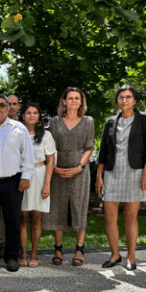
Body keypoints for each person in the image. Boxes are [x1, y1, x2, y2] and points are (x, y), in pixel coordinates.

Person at [96, 85, 146, 271]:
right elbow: (103, 151)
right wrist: (99, 176)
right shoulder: (110, 122)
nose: (124, 100)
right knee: (109, 217)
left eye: (128, 97)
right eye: (121, 97)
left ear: (135, 101)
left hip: (135, 173)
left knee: (130, 216)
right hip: (112, 173)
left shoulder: (144, 119)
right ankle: (115, 255)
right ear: (117, 101)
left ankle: (131, 256)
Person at [0, 94, 35, 272]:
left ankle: (12, 257)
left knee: (13, 221)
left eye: (2, 105)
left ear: (8, 108)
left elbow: (28, 154)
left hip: (13, 181)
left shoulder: (18, 128)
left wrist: (26, 176)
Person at [43, 87, 95, 266]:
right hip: (58, 170)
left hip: (80, 171)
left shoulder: (88, 121)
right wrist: (55, 168)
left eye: (77, 98)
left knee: (79, 207)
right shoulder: (55, 122)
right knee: (58, 207)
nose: (73, 101)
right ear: (64, 101)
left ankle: (79, 249)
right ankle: (58, 248)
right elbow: (50, 147)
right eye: (70, 98)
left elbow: (89, 147)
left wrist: (80, 167)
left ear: (81, 102)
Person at [18, 103, 55, 267]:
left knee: (36, 217)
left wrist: (47, 185)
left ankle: (34, 252)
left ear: (39, 116)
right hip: (21, 177)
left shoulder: (46, 135)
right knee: (23, 217)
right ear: (23, 116)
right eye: (28, 113)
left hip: (39, 175)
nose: (31, 115)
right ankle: (23, 252)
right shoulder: (18, 134)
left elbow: (50, 161)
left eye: (35, 113)